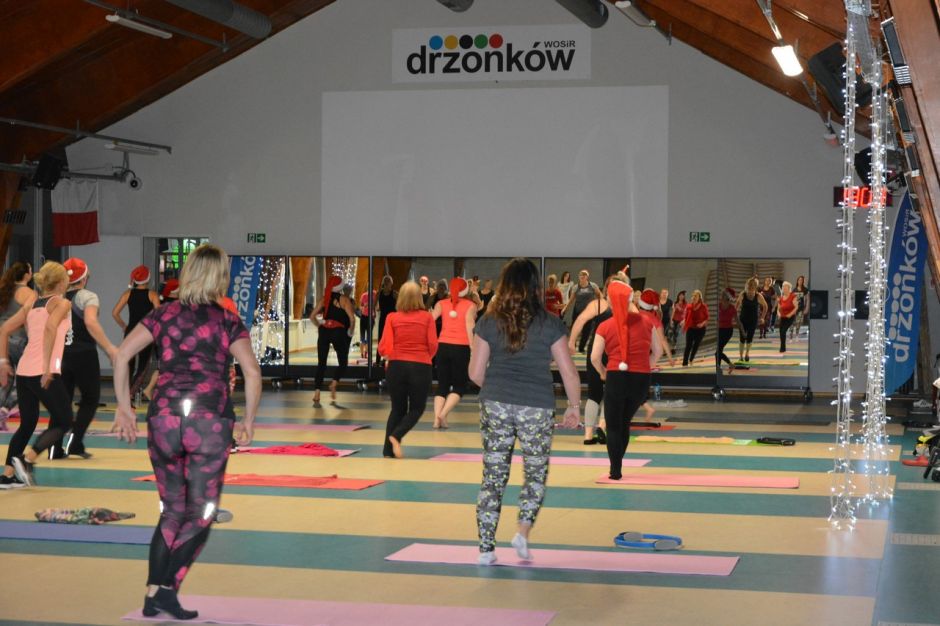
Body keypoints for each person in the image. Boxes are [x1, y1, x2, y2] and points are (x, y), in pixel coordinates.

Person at [110, 243, 261, 621]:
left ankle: (153, 595)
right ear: (221, 277)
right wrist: (249, 420)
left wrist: (125, 408)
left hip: (164, 420)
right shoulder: (226, 321)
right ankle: (166, 589)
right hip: (208, 423)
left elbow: (122, 355)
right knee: (202, 513)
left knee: (172, 510)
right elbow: (252, 371)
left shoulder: (163, 314)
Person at [469, 258, 580, 565]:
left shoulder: (488, 321)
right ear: (535, 286)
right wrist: (573, 408)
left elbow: (475, 373)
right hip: (537, 406)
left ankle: (486, 550)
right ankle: (522, 532)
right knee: (535, 473)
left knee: (493, 476)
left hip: (495, 403)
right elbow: (569, 372)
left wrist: (498, 389)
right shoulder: (550, 323)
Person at [0, 262, 73, 487]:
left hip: (24, 372)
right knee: (64, 420)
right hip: (43, 371)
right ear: (61, 282)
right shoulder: (62, 303)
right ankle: (27, 460)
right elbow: (51, 328)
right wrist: (48, 367)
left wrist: (3, 362)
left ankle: (7, 475)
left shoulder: (31, 304)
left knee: (28, 424)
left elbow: (4, 329)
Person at [48, 258, 119, 460]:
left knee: (62, 402)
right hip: (84, 355)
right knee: (90, 398)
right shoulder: (88, 296)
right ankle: (75, 442)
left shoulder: (55, 298)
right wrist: (109, 348)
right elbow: (90, 322)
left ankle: (54, 447)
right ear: (85, 278)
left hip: (61, 354)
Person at [591, 279, 662, 480]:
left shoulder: (605, 326)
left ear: (612, 302)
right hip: (641, 380)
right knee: (624, 422)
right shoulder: (647, 322)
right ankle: (617, 463)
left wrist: (603, 372)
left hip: (616, 376)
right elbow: (657, 352)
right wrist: (645, 365)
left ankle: (615, 470)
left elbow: (595, 357)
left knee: (613, 425)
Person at [378, 281, 438, 458]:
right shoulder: (427, 317)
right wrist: (425, 358)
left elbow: (384, 345)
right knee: (417, 408)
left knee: (397, 409)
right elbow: (433, 345)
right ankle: (396, 436)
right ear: (419, 297)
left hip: (396, 366)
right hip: (420, 366)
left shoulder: (392, 317)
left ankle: (387, 451)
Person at [570, 276, 622, 445]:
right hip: (614, 351)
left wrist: (571, 341)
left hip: (596, 350)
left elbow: (580, 320)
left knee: (594, 393)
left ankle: (588, 435)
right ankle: (602, 426)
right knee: (612, 392)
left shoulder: (597, 304)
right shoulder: (627, 307)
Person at [430, 277, 476, 429]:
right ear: (465, 290)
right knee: (459, 386)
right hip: (461, 348)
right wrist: (473, 348)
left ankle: (437, 419)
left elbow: (430, 320)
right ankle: (443, 414)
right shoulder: (471, 305)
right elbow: (470, 327)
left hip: (442, 346)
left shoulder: (441, 304)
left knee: (442, 386)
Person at [112, 265, 161, 395]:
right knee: (142, 367)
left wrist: (124, 326)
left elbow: (115, 313)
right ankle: (130, 393)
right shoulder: (152, 295)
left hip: (130, 332)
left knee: (129, 365)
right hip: (145, 333)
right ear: (148, 279)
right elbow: (159, 315)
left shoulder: (127, 294)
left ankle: (125, 393)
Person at [309, 276, 356, 406]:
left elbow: (312, 316)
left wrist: (320, 325)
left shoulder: (325, 299)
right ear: (340, 287)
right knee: (343, 362)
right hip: (338, 332)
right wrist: (350, 332)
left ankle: (317, 393)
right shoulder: (344, 300)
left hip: (324, 331)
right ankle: (334, 383)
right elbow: (352, 319)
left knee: (321, 364)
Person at [0, 262, 35, 430]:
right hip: (18, 340)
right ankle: (5, 409)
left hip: (2, 339)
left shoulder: (3, 290)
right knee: (25, 381)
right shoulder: (29, 293)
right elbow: (29, 319)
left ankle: (1, 411)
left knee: (5, 379)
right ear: (27, 275)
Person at [562, 270, 600, 352]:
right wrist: (565, 308)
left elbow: (600, 296)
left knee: (587, 331)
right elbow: (571, 300)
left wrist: (602, 306)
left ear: (587, 277)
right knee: (575, 330)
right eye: (581, 275)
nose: (582, 276)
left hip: (589, 312)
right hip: (577, 312)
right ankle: (573, 346)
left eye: (584, 275)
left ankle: (581, 347)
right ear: (579, 277)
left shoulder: (593, 286)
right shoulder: (576, 287)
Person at [735, 277, 767, 363]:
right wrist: (734, 316)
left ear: (755, 289)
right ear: (746, 287)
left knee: (750, 338)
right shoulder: (743, 294)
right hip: (743, 320)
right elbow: (737, 305)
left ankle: (747, 354)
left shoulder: (758, 296)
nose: (750, 291)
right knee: (742, 338)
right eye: (748, 289)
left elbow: (765, 306)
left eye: (752, 289)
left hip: (753, 320)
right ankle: (741, 356)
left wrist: (762, 317)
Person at [682, 289, 709, 367]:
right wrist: (683, 321)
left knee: (696, 345)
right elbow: (686, 316)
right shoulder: (689, 306)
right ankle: (684, 363)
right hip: (691, 328)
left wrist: (702, 323)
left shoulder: (703, 306)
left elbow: (707, 318)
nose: (694, 297)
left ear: (699, 297)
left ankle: (691, 359)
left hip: (701, 330)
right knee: (688, 346)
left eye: (696, 296)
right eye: (693, 295)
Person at [715, 288, 738, 375]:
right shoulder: (719, 305)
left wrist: (743, 332)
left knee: (718, 352)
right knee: (718, 351)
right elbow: (717, 317)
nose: (722, 296)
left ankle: (719, 368)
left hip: (728, 331)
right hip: (720, 330)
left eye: (724, 294)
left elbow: (737, 321)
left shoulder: (732, 308)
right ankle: (730, 365)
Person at [375, 276, 397, 363]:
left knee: (393, 339)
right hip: (383, 318)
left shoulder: (394, 293)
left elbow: (400, 305)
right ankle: (378, 360)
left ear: (391, 283)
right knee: (381, 339)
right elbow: (373, 305)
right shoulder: (379, 293)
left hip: (393, 319)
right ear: (383, 282)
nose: (387, 282)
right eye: (385, 281)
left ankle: (389, 359)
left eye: (388, 281)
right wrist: (374, 312)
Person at [777, 281, 799, 353]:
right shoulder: (781, 298)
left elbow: (796, 307)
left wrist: (790, 314)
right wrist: (778, 314)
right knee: (781, 332)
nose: (784, 288)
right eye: (783, 287)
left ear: (789, 288)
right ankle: (783, 347)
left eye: (785, 287)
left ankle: (782, 348)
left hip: (790, 317)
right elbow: (778, 309)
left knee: (783, 331)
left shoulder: (793, 296)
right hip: (783, 317)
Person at [358, 288, 376, 359]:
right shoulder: (364, 295)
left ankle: (366, 352)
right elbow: (360, 306)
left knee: (369, 337)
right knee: (362, 336)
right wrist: (364, 306)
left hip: (371, 317)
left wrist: (374, 310)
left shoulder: (375, 294)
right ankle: (362, 354)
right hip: (364, 317)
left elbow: (376, 304)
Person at [792, 275, 809, 339]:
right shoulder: (794, 290)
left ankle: (797, 333)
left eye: (801, 280)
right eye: (799, 280)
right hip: (794, 308)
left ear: (803, 281)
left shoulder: (805, 290)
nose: (800, 281)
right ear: (797, 281)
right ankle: (792, 333)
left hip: (801, 308)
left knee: (799, 321)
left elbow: (808, 299)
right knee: (793, 321)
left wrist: (806, 308)